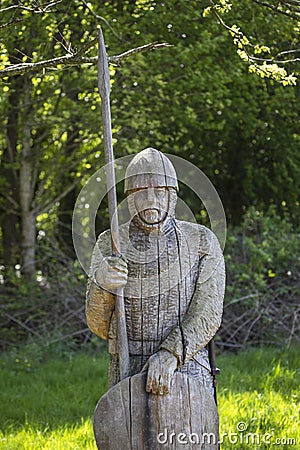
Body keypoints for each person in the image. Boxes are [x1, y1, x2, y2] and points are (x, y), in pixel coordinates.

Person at [86, 148, 225, 397]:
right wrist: (102, 286)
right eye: (140, 192)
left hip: (187, 366)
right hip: (127, 370)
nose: (151, 199)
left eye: (159, 191)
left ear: (172, 195)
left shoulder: (202, 241)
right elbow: (98, 325)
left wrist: (171, 353)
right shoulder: (110, 244)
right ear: (130, 198)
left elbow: (209, 312)